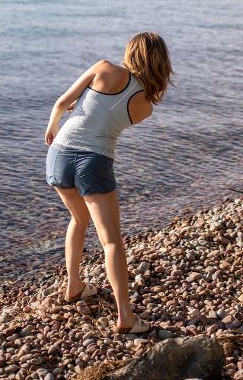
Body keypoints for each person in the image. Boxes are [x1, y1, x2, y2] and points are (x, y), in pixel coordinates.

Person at [44, 32, 173, 333]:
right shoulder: (146, 106)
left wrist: (52, 128)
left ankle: (73, 286)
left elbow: (63, 102)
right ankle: (125, 317)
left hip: (58, 153)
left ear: (131, 51)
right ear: (160, 63)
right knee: (111, 240)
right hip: (94, 161)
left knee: (78, 218)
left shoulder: (103, 68)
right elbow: (107, 120)